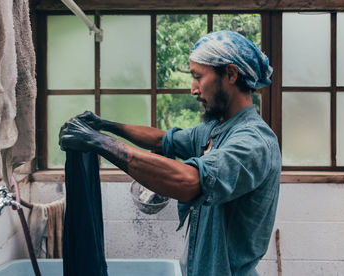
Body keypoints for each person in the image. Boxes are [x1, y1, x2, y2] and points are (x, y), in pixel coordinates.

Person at [59, 30, 281, 276]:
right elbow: (162, 139)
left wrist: (99, 143)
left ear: (230, 74)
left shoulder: (254, 142)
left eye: (198, 77)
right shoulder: (215, 130)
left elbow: (190, 181)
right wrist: (105, 125)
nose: (193, 89)